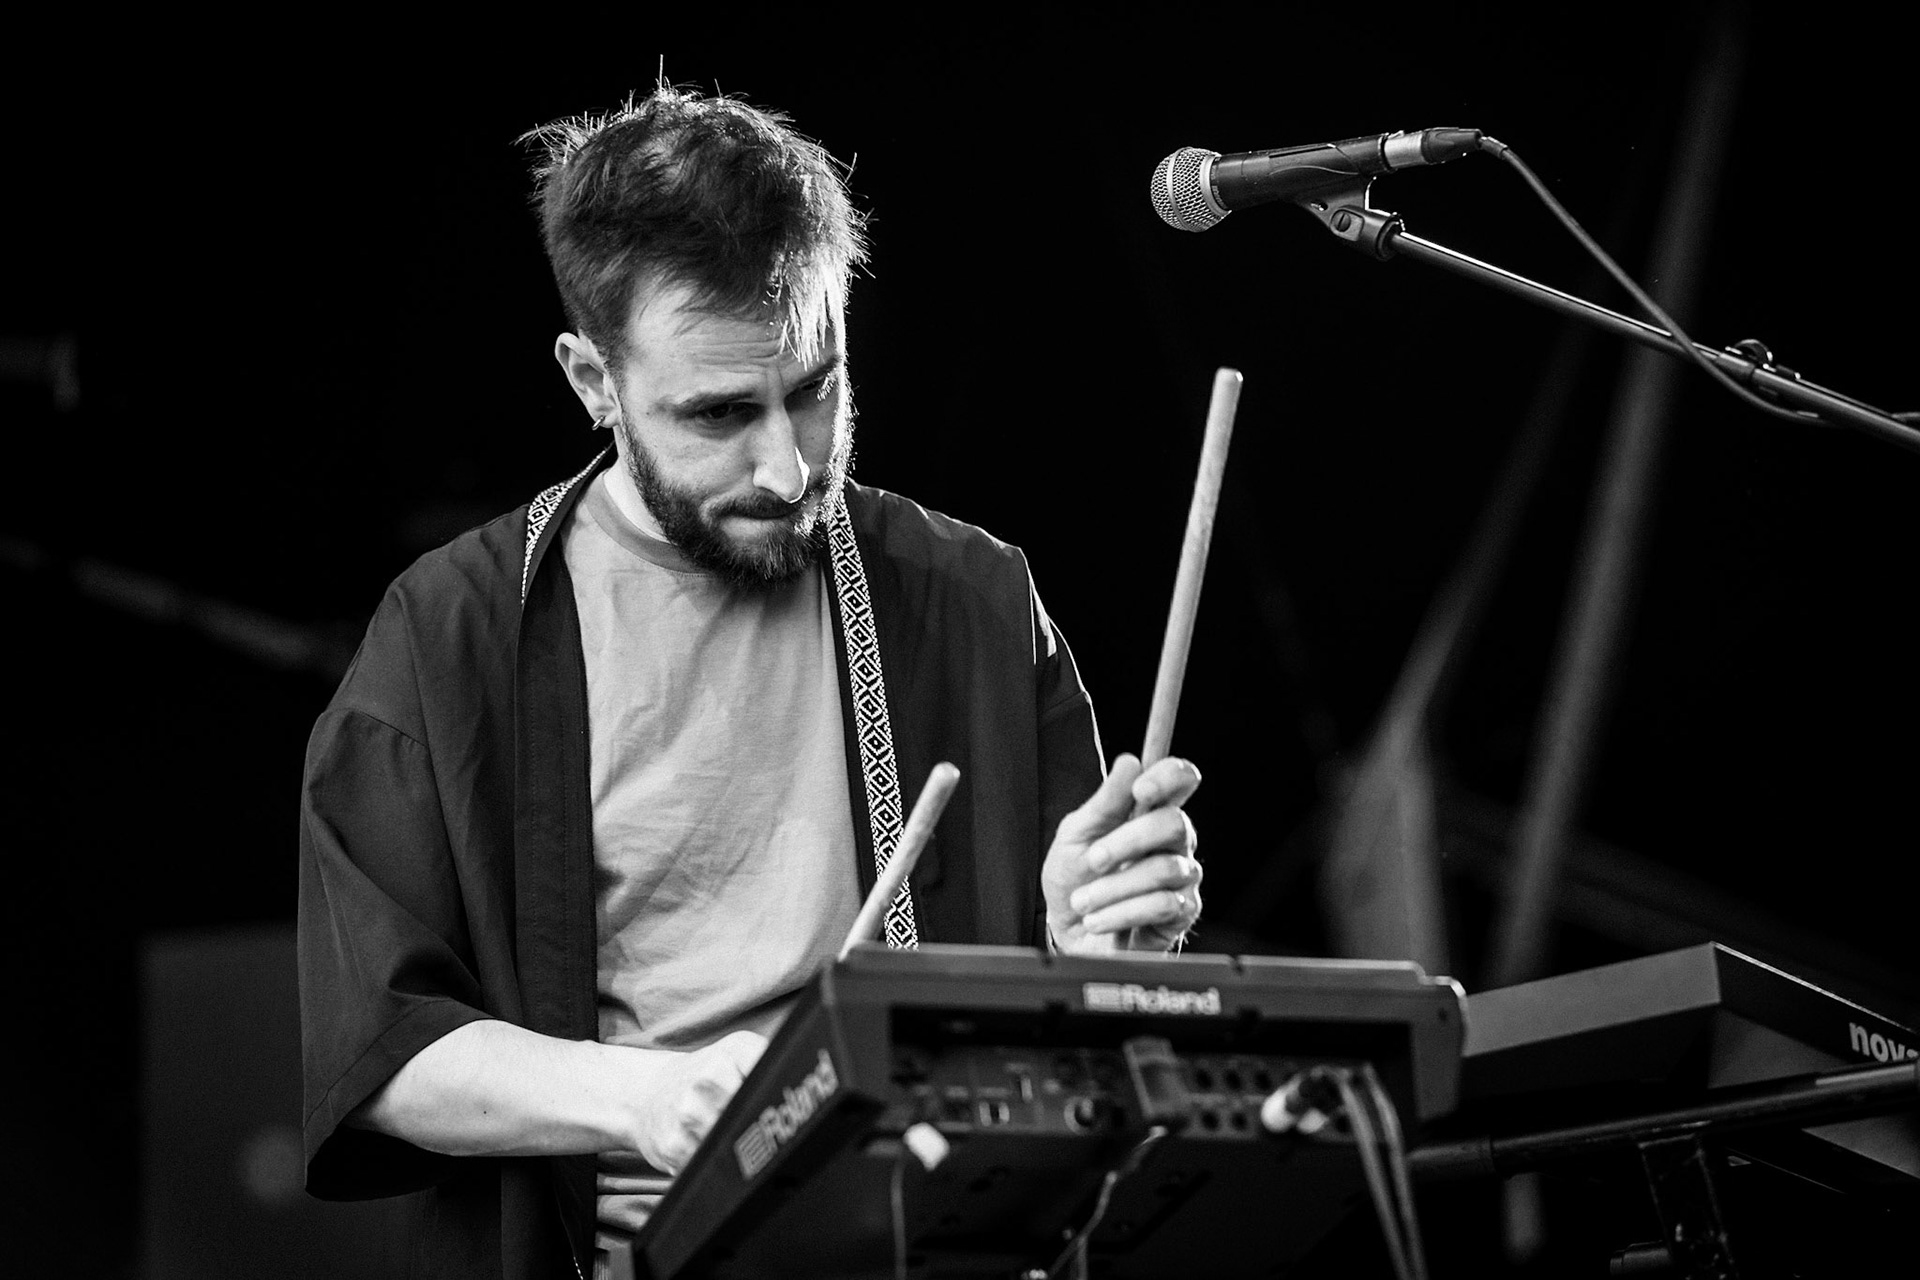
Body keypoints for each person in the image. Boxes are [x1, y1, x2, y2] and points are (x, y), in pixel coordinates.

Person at [298, 85, 1205, 1280]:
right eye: (721, 413)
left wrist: (1102, 956)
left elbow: (1092, 1048)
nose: (787, 468)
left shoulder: (974, 598)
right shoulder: (450, 631)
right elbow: (381, 1052)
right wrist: (651, 1097)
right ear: (592, 380)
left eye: (815, 388)